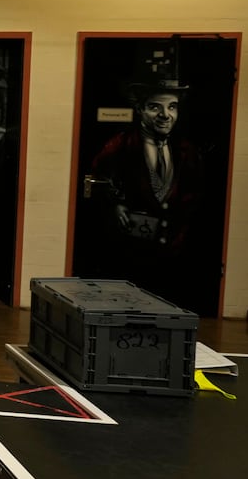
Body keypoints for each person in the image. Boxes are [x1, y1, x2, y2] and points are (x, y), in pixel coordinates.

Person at [87, 69, 204, 310]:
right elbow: (98, 180)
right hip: (129, 250)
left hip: (170, 252)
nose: (165, 115)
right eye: (155, 107)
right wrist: (115, 204)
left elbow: (193, 196)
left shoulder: (187, 151)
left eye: (172, 107)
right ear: (140, 109)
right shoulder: (119, 146)